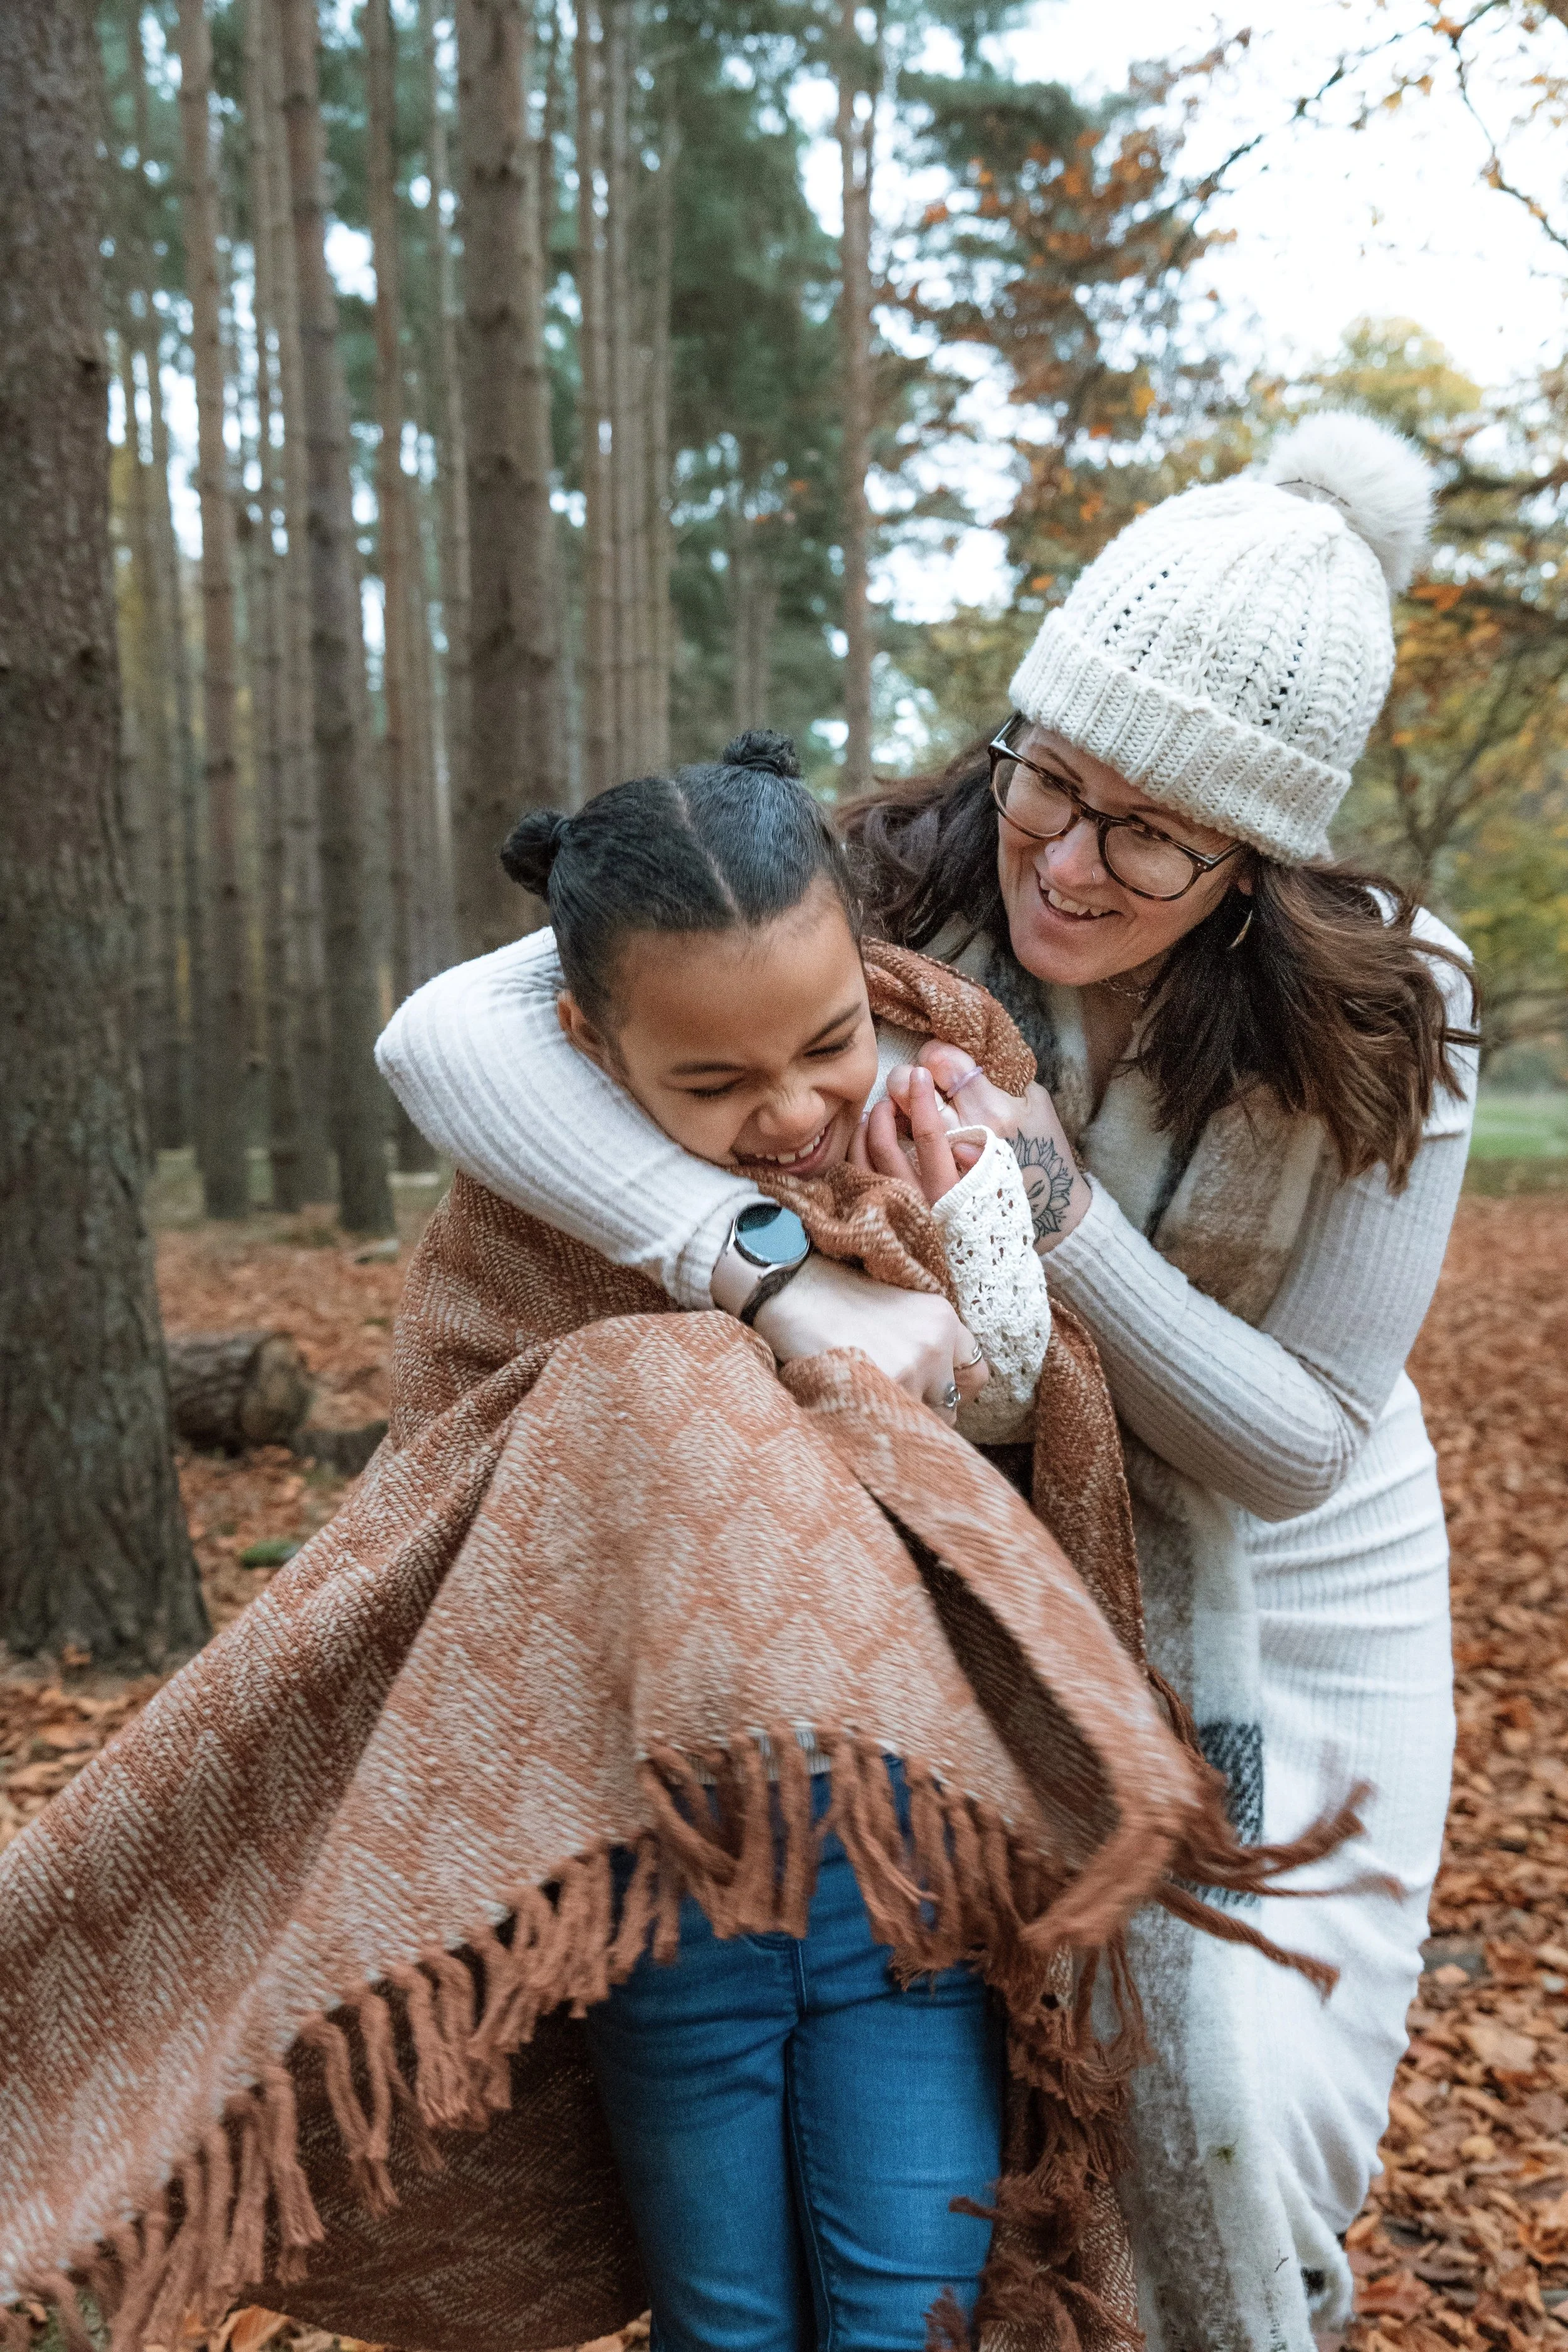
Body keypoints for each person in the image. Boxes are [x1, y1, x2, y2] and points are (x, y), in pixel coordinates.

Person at [379, 409, 1478, 2348]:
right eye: (1047, 777)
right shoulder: (889, 876)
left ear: (1258, 856)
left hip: (1287, 1557)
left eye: (1150, 828)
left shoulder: (1400, 1005)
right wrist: (769, 1266)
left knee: (1250, 2103)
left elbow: (1296, 1444)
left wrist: (1053, 1216)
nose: (1063, 856)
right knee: (1033, 2057)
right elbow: (451, 1026)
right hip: (979, 1493)